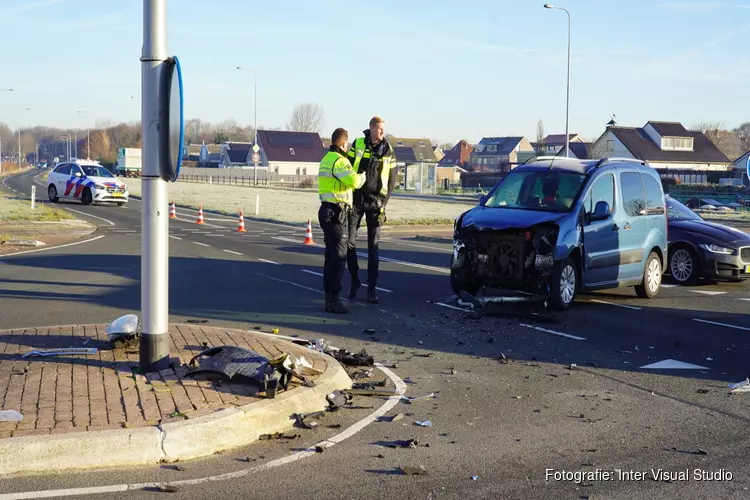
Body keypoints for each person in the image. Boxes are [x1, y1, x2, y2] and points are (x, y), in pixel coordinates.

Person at [346, 116, 398, 304]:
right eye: (379, 129)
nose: (382, 132)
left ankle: (372, 290)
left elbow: (392, 180)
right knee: (349, 244)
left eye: (384, 129)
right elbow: (348, 168)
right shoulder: (358, 144)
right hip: (357, 201)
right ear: (371, 128)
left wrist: (384, 203)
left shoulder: (388, 150)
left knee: (373, 249)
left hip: (376, 204)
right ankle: (355, 280)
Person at [318, 127, 367, 314]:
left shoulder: (326, 159)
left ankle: (328, 299)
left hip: (326, 210)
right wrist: (362, 176)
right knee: (339, 257)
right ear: (344, 143)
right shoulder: (340, 161)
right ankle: (334, 300)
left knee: (330, 257)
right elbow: (354, 182)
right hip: (336, 212)